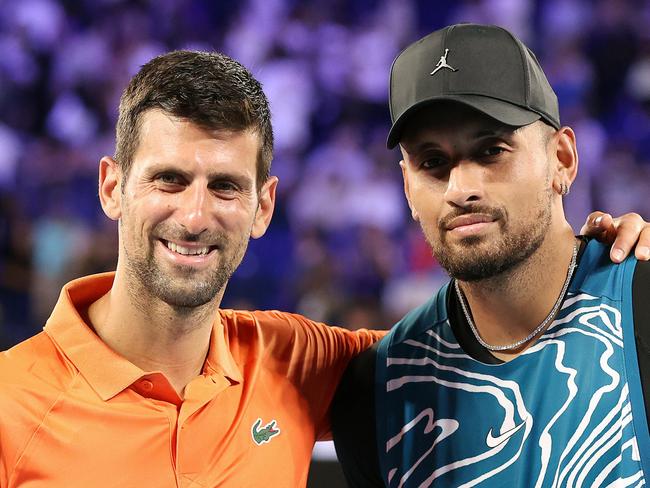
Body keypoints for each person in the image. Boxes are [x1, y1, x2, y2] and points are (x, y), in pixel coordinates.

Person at [0, 47, 646, 488]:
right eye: (168, 180)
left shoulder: (296, 361)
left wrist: (605, 261)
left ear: (264, 205)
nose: (194, 216)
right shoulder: (10, 406)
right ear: (112, 187)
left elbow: (490, 339)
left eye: (225, 187)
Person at [332, 24, 649, 487]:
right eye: (432, 162)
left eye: (491, 151)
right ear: (406, 186)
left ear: (562, 159)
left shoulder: (639, 306)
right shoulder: (377, 388)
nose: (461, 190)